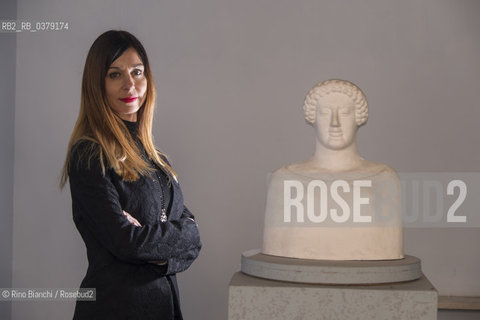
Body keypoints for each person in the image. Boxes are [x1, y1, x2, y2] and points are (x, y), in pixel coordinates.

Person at [60, 30, 201, 320]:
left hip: (165, 308)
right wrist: (171, 238)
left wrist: (159, 248)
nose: (130, 84)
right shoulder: (89, 155)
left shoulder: (158, 160)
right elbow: (125, 242)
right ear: (97, 85)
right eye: (114, 75)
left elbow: (193, 239)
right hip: (115, 309)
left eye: (137, 72)